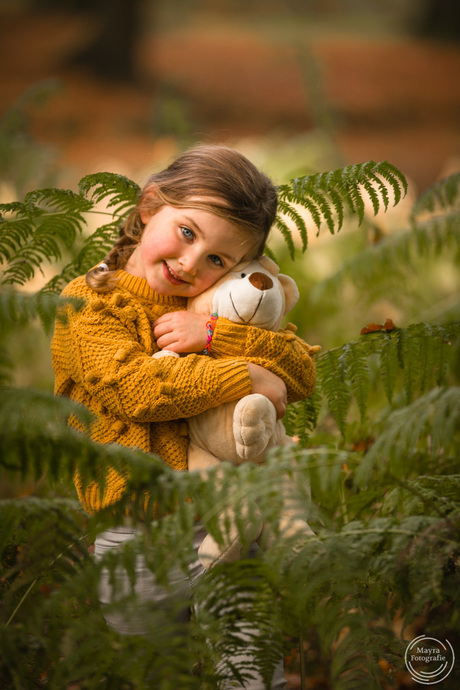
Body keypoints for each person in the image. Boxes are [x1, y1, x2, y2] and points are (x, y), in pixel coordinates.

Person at [51, 144, 317, 689]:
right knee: (151, 670)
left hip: (228, 516)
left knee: (249, 668)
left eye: (218, 260)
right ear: (150, 206)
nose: (190, 265)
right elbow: (135, 388)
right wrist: (248, 375)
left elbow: (298, 367)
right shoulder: (89, 303)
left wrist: (219, 336)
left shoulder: (212, 305)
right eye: (188, 233)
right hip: (136, 530)